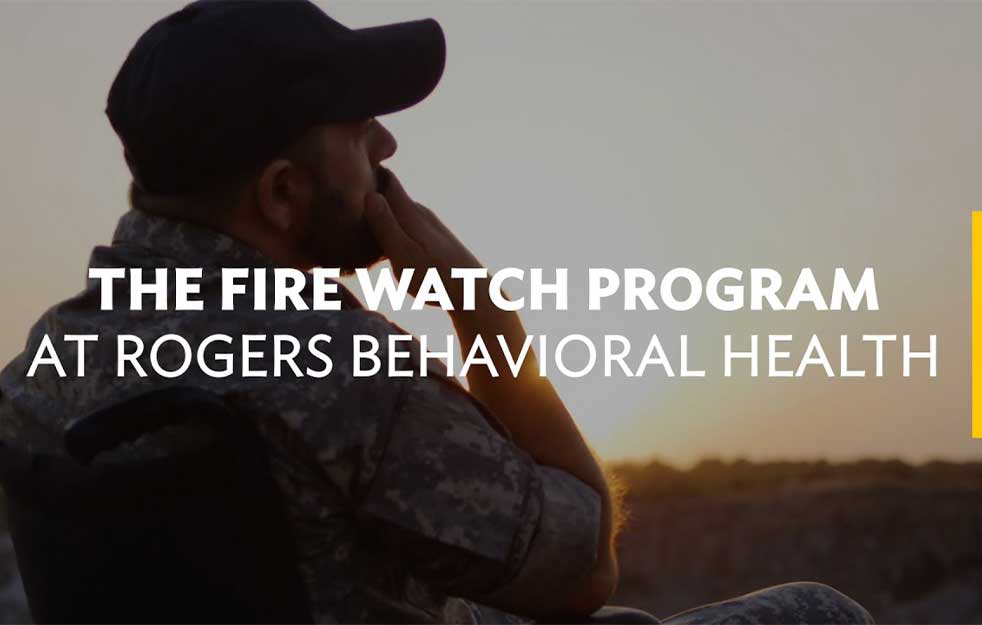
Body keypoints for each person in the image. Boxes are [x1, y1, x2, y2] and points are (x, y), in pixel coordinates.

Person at [0, 1, 874, 623]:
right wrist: (479, 309)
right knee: (818, 613)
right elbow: (582, 566)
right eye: (354, 128)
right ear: (280, 192)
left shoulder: (42, 367)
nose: (386, 144)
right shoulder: (335, 371)